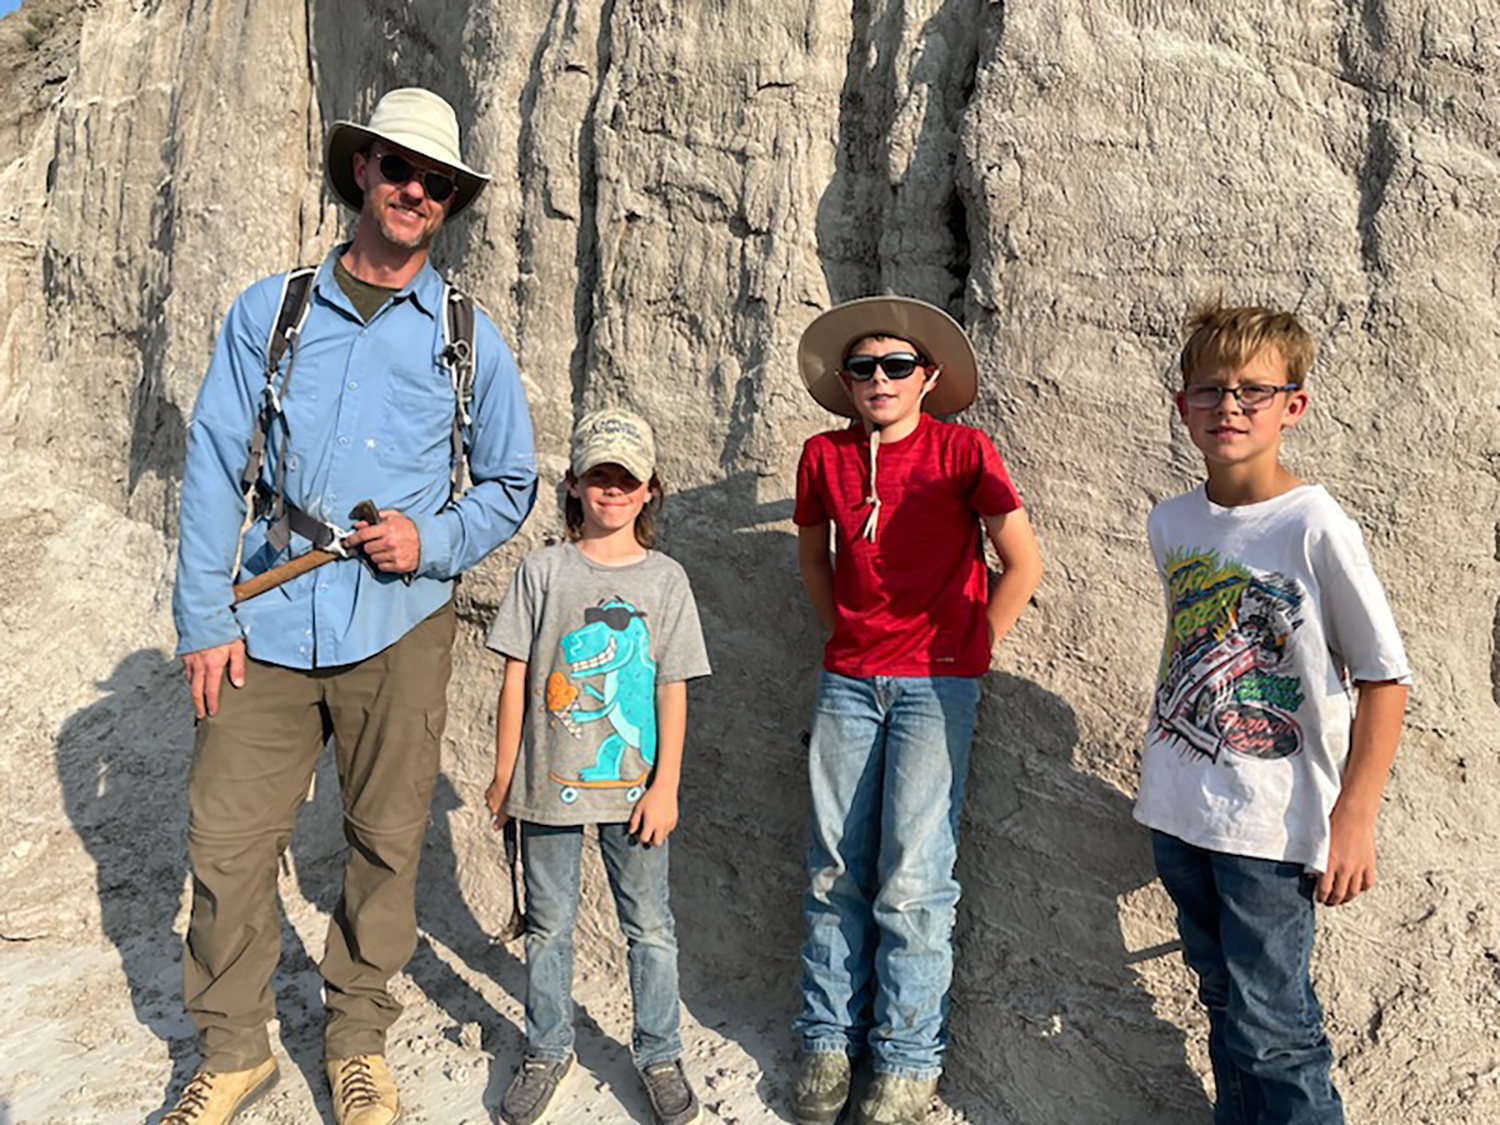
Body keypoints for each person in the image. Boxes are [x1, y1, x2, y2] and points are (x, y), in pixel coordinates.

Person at [165, 88, 537, 1125]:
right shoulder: (270, 311)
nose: (416, 191)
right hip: (269, 617)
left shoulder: (467, 333)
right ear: (361, 171)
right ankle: (234, 1051)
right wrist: (205, 617)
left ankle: (356, 1040)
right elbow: (213, 465)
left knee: (385, 840)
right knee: (226, 843)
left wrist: (437, 539)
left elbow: (512, 480)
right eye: (398, 169)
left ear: (449, 201)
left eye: (438, 182)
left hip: (400, 628)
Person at [1135, 302, 1410, 1123]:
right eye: (1210, 389)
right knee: (1221, 1002)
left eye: (1254, 391)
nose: (1230, 406)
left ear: (1294, 405)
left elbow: (1384, 676)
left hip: (1272, 825)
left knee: (1275, 1030)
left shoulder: (1314, 523)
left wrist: (1353, 814)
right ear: (1181, 404)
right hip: (1179, 812)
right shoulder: (1171, 521)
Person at [789, 297, 1044, 1125]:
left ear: (928, 378)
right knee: (834, 865)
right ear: (847, 383)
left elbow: (1023, 561)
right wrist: (846, 635)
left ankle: (905, 1058)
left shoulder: (963, 451)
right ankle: (827, 1040)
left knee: (915, 876)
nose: (879, 378)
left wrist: (970, 649)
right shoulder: (823, 457)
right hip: (849, 682)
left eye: (897, 365)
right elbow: (812, 557)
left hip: (939, 688)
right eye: (863, 367)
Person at [484, 408, 711, 1125]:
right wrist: (502, 771)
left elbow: (672, 685)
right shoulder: (542, 571)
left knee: (650, 925)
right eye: (598, 477)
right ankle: (547, 1048)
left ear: (649, 492)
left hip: (635, 790)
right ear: (575, 484)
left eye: (626, 479)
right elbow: (517, 675)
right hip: (547, 783)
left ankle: (659, 1051)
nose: (611, 491)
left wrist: (667, 782)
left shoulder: (666, 580)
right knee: (549, 925)